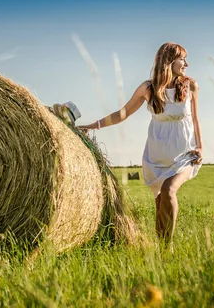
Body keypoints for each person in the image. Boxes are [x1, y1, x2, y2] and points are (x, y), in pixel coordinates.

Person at [78, 42, 203, 242]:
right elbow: (123, 113)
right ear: (169, 61)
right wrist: (94, 125)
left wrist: (200, 147)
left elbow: (196, 119)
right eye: (183, 59)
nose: (186, 64)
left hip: (184, 153)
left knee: (168, 190)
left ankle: (167, 248)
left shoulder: (191, 86)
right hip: (156, 155)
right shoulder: (148, 88)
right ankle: (161, 253)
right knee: (160, 202)